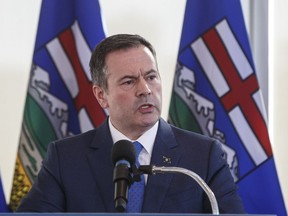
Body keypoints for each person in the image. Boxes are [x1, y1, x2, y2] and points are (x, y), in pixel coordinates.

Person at [17, 34, 245, 213]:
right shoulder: (65, 158)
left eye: (151, 77)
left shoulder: (203, 156)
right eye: (129, 81)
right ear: (101, 95)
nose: (145, 90)